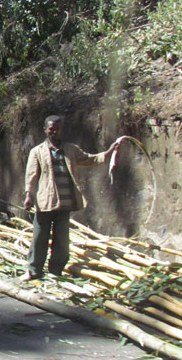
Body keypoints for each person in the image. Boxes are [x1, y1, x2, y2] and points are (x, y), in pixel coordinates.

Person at [21, 115, 120, 280]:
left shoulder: (71, 150)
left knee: (62, 240)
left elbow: (89, 159)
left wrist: (108, 152)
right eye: (51, 128)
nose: (54, 131)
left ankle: (55, 271)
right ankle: (34, 271)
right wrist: (28, 195)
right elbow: (31, 175)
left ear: (61, 130)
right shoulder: (37, 152)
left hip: (66, 203)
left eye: (57, 128)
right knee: (40, 237)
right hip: (46, 202)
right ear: (45, 130)